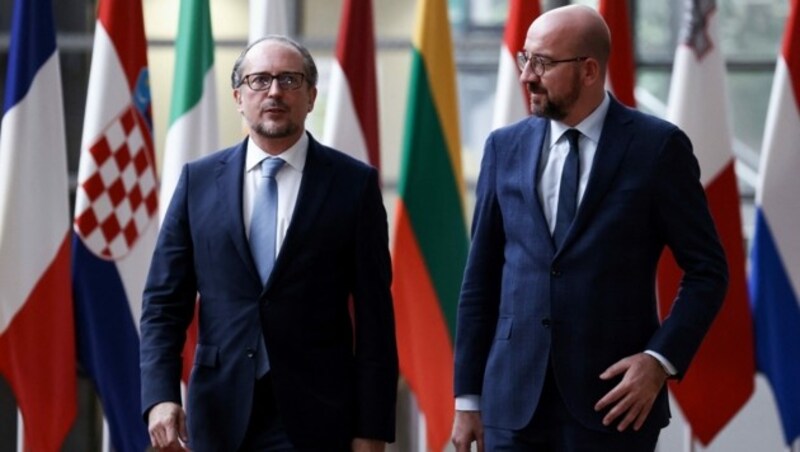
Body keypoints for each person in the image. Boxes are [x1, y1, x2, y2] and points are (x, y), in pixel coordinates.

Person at [451, 5, 728, 451]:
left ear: (589, 70)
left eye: (542, 62)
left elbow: (708, 271)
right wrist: (467, 398)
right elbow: (480, 279)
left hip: (614, 406)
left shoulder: (658, 149)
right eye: (525, 59)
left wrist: (659, 360)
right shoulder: (504, 147)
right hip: (511, 406)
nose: (526, 76)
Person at [140, 35, 398, 451]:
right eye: (259, 80)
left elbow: (375, 319)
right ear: (238, 96)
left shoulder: (354, 185)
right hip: (217, 415)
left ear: (312, 96)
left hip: (318, 417)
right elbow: (163, 304)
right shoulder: (197, 182)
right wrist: (160, 397)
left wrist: (371, 430)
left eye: (289, 80)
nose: (274, 91)